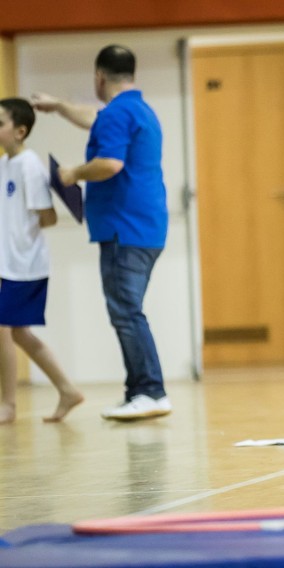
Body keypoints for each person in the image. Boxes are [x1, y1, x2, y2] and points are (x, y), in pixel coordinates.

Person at [31, 44, 170, 420]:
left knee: (125, 310)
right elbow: (94, 118)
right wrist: (59, 106)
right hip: (145, 227)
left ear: (99, 76)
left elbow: (109, 163)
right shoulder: (137, 109)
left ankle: (150, 391)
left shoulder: (116, 114)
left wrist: (74, 173)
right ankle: (140, 390)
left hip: (123, 228)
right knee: (127, 309)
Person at [0, 98, 85, 424]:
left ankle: (8, 405)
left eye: (1, 123)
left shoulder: (30, 166)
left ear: (20, 130)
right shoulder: (5, 164)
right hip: (9, 263)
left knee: (5, 330)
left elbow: (47, 217)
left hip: (24, 265)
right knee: (19, 333)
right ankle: (67, 390)